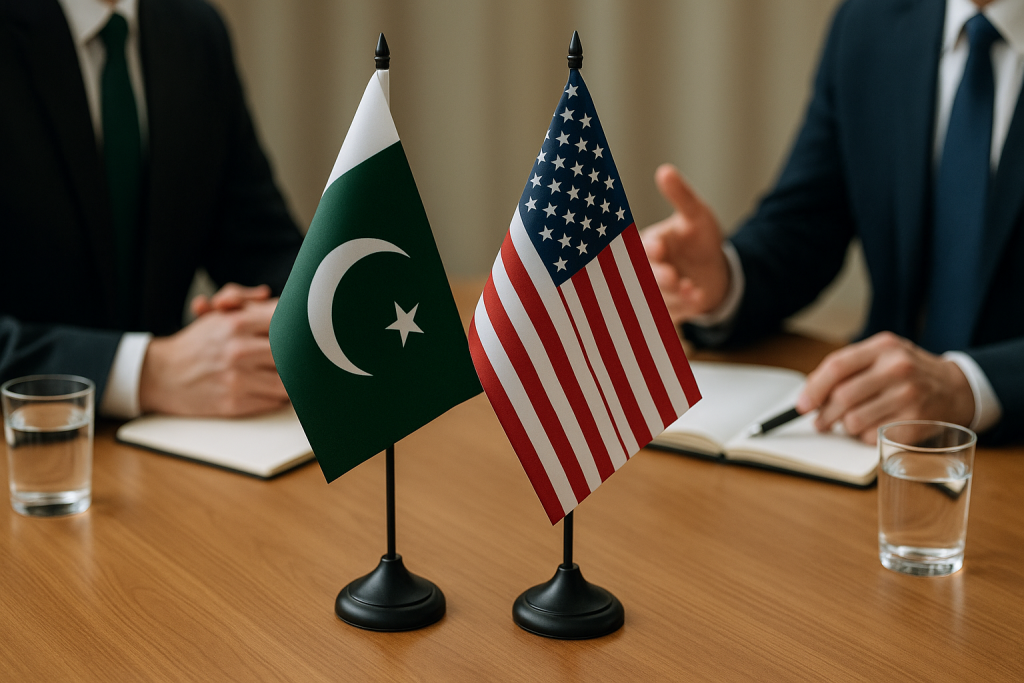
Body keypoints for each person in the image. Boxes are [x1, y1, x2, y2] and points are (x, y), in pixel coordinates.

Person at [642, 0, 1023, 444]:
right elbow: (806, 225)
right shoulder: (870, 21)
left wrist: (972, 386)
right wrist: (726, 279)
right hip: (873, 440)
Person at [0, 0, 303, 418]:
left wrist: (279, 317)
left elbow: (262, 247)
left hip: (176, 444)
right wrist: (148, 371)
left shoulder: (196, 30)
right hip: (28, 454)